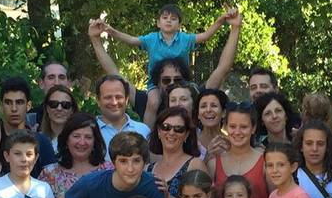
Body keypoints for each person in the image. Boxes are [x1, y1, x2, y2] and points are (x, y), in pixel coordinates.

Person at [88, 11, 242, 126]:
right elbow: (114, 73)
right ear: (158, 82)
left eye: (178, 79)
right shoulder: (146, 101)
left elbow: (223, 68)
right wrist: (95, 39)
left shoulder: (196, 98)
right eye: (166, 80)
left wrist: (235, 28)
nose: (172, 84)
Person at [208, 102, 269, 198]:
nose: (237, 132)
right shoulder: (213, 163)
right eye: (232, 126)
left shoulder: (266, 162)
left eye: (243, 127)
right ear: (225, 127)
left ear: (253, 128)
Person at [148, 107, 208, 198]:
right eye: (166, 127)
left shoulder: (195, 164)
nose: (171, 132)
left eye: (178, 129)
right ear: (159, 131)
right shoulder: (148, 168)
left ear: (186, 135)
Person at [0, 76, 56, 178]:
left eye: (19, 102)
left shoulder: (42, 142)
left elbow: (53, 181)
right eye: (8, 102)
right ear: (1, 106)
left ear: (28, 106)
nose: (14, 108)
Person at [93, 74, 151, 155]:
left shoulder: (143, 131)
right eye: (108, 97)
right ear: (98, 100)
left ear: (127, 99)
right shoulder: (89, 132)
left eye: (119, 97)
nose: (114, 102)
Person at [295, 120, 332, 198]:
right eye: (309, 143)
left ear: (327, 146)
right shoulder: (293, 175)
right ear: (301, 146)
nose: (314, 149)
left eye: (320, 144)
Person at [39, 85, 77, 151]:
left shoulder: (80, 141)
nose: (59, 108)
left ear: (72, 110)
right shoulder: (37, 140)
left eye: (65, 105)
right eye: (53, 104)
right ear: (47, 108)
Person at [196, 88, 230, 161]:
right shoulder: (190, 142)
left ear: (223, 113)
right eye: (203, 106)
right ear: (198, 114)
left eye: (214, 106)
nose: (208, 110)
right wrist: (207, 158)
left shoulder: (231, 142)